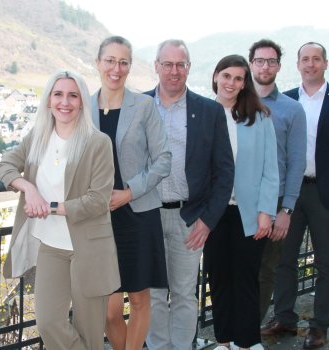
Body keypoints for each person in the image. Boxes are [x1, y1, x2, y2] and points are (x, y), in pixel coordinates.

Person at [0, 71, 118, 350]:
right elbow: (4, 166)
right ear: (49, 100)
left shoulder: (98, 143)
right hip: (50, 245)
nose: (65, 101)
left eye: (73, 95)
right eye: (58, 94)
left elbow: (98, 200)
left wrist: (50, 207)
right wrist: (28, 188)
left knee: (89, 332)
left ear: (82, 102)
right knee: (49, 321)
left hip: (88, 247)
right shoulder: (37, 138)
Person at [261, 42, 329, 350]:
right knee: (283, 260)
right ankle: (285, 318)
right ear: (297, 64)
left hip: (326, 195)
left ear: (325, 64)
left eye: (316, 59)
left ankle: (319, 327)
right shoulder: (286, 99)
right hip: (288, 194)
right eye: (305, 59)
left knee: (326, 263)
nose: (310, 64)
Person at [144, 39, 234, 350]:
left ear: (189, 68)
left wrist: (208, 221)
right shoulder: (138, 106)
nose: (173, 71)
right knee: (153, 292)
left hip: (189, 217)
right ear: (156, 66)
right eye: (167, 64)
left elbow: (224, 173)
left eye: (180, 64)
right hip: (147, 215)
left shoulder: (209, 111)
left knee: (184, 291)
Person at [90, 35, 172, 350]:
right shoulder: (83, 107)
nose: (116, 68)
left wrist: (129, 192)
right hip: (99, 219)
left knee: (139, 300)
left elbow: (163, 159)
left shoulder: (144, 106)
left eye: (123, 61)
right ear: (98, 63)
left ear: (130, 67)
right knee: (110, 311)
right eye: (110, 60)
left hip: (137, 214)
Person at [204, 54, 279, 350]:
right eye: (226, 76)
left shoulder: (259, 117)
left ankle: (246, 342)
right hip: (213, 212)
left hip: (248, 212)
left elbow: (270, 170)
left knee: (247, 278)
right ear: (215, 77)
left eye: (238, 78)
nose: (231, 83)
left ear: (244, 82)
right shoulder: (204, 114)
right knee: (218, 278)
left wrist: (266, 212)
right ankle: (223, 341)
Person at [247, 39, 307, 328]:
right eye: (260, 60)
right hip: (239, 203)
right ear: (251, 64)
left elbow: (297, 163)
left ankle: (250, 332)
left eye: (271, 61)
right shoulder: (236, 103)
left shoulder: (292, 109)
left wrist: (287, 210)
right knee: (235, 269)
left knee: (266, 271)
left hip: (275, 205)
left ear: (279, 67)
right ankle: (232, 329)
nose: (265, 66)